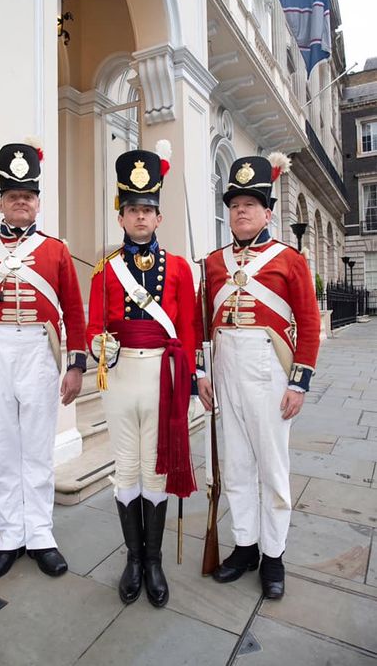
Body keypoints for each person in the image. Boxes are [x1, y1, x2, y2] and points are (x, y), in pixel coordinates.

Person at [0, 138, 87, 579]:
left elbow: (75, 310)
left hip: (40, 354)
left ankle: (41, 534)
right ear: (1, 203)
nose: (21, 203)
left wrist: (77, 364)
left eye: (27, 196)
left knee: (38, 448)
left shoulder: (55, 250)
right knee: (4, 448)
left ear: (37, 203)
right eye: (13, 197)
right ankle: (10, 535)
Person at [196, 153, 320, 599]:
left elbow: (308, 323)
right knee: (236, 466)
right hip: (225, 370)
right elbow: (200, 324)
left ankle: (273, 555)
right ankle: (245, 546)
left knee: (272, 468)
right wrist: (200, 374)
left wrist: (298, 382)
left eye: (250, 203)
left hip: (270, 373)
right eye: (234, 204)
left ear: (268, 212)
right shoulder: (213, 262)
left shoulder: (289, 259)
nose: (241, 211)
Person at [87, 141, 197, 608]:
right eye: (131, 209)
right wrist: (98, 344)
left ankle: (153, 562)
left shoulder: (178, 268)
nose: (139, 217)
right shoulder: (104, 271)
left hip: (162, 378)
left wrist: (190, 381)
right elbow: (93, 324)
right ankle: (133, 558)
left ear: (159, 216)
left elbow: (189, 329)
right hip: (120, 378)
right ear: (120, 216)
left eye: (147, 210)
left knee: (156, 471)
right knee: (125, 470)